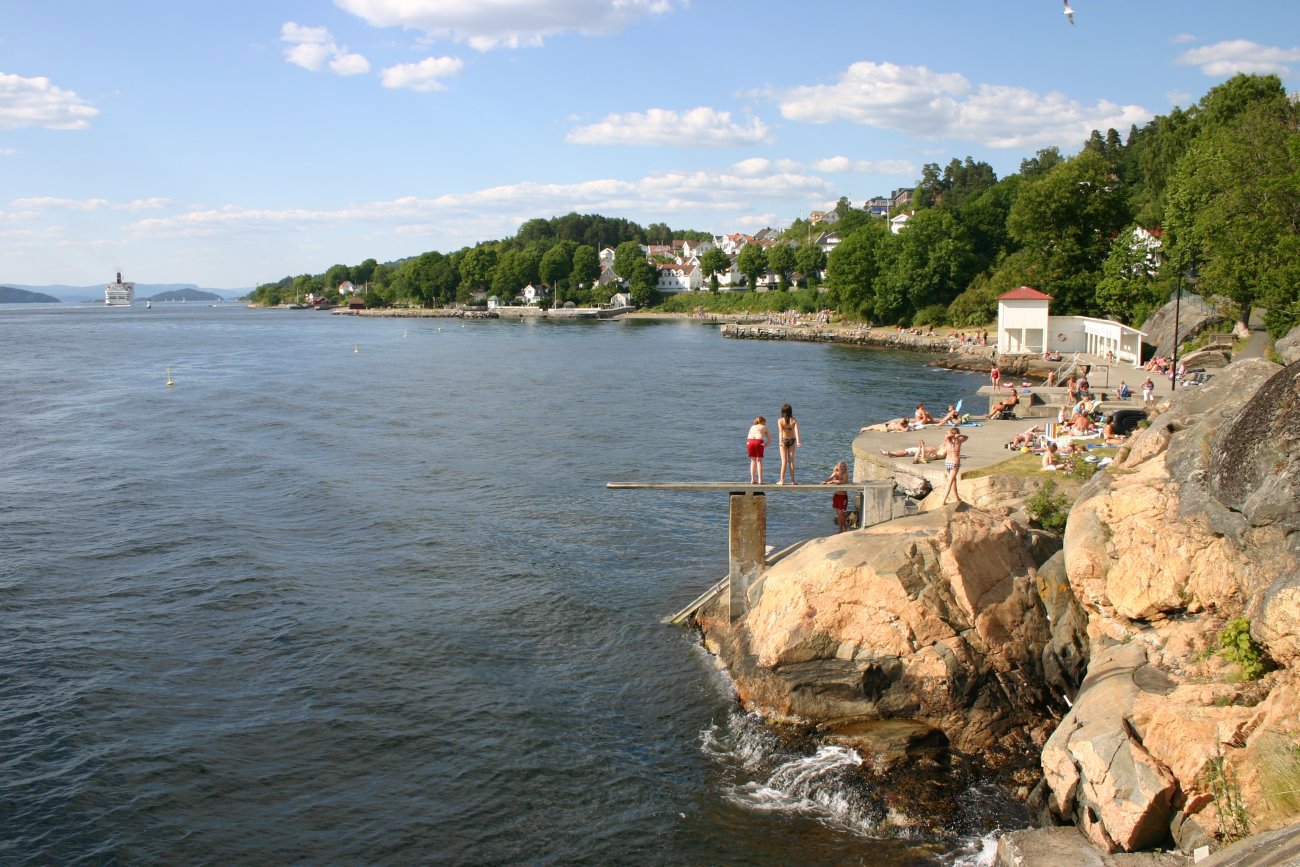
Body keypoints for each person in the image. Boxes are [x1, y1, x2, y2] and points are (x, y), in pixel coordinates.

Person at [940, 427, 968, 505]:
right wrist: (959, 435)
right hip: (955, 463)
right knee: (950, 482)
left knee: (953, 480)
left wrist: (950, 434)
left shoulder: (947, 441)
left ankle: (957, 497)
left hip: (947, 462)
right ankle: (944, 501)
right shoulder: (959, 441)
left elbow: (946, 435)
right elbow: (966, 437)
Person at [776, 403, 802, 485]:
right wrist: (798, 442)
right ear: (791, 411)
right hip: (792, 441)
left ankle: (782, 480)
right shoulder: (794, 420)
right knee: (791, 461)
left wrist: (780, 442)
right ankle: (793, 481)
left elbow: (780, 432)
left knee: (784, 461)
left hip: (783, 440)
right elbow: (797, 432)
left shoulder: (780, 420)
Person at [823, 461, 849, 533]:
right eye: (840, 466)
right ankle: (841, 528)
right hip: (836, 496)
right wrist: (825, 481)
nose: (842, 468)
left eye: (843, 466)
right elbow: (830, 478)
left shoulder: (845, 475)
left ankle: (844, 527)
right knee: (839, 514)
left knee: (841, 513)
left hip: (843, 497)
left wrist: (833, 481)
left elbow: (843, 481)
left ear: (845, 468)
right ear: (837, 467)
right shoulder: (835, 473)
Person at [746, 415, 771, 484]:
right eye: (765, 422)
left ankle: (752, 480)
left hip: (749, 442)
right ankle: (760, 480)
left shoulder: (752, 427)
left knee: (753, 461)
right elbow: (770, 440)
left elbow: (748, 437)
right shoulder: (764, 427)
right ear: (762, 421)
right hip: (758, 442)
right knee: (759, 461)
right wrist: (764, 446)